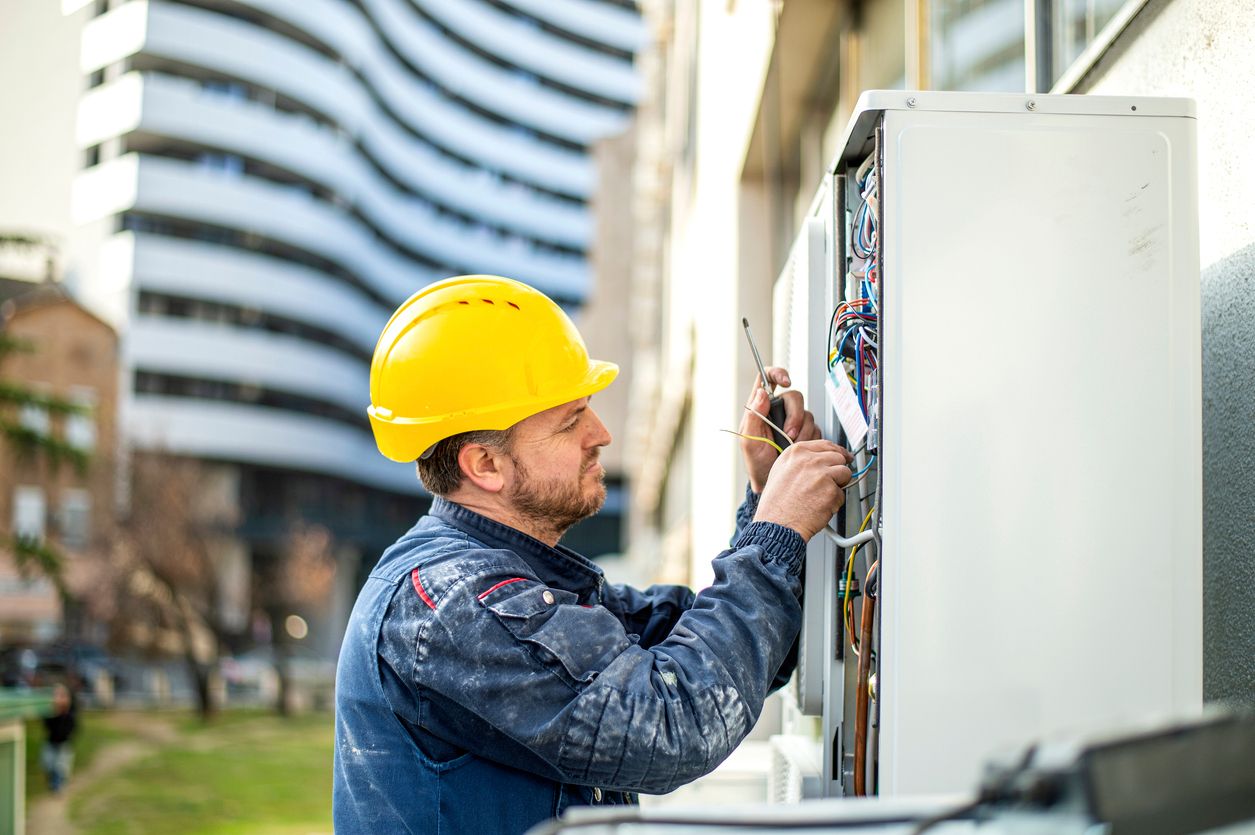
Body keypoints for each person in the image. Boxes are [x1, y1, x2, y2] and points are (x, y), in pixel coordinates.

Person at [333, 275, 853, 834]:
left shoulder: (517, 578)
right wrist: (774, 532)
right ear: (484, 465)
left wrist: (766, 497)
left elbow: (732, 655)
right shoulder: (452, 603)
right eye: (570, 420)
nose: (601, 433)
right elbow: (679, 721)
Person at [42, 683, 77, 793]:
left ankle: (58, 785)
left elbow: (68, 730)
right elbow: (47, 726)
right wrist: (54, 712)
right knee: (48, 764)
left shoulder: (70, 715)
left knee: (61, 766)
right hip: (51, 742)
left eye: (62, 696)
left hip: (64, 744)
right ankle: (55, 782)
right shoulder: (50, 714)